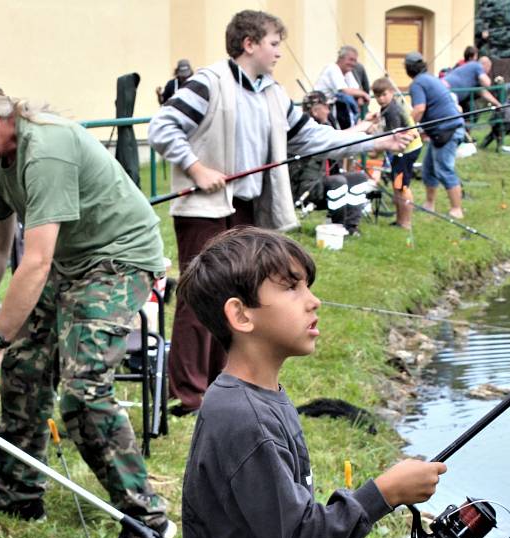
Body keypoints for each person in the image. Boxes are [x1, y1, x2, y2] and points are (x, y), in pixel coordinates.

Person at [0, 74, 173, 538]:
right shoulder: (0, 159)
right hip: (69, 264)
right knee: (24, 369)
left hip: (118, 260)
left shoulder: (45, 151)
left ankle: (147, 520)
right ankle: (19, 495)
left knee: (84, 391)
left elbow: (35, 262)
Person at [177, 226, 447, 538]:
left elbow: (275, 516)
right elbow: (298, 537)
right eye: (291, 288)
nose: (313, 300)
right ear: (240, 315)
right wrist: (384, 494)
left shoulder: (260, 396)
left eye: (308, 286)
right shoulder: (244, 418)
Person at [148, 10, 412, 416]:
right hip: (204, 209)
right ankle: (187, 393)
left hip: (247, 209)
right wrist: (197, 168)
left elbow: (312, 137)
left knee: (239, 301)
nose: (278, 53)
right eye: (274, 43)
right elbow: (163, 127)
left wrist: (374, 142)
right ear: (249, 43)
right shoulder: (208, 82)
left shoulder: (273, 92)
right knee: (199, 299)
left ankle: (224, 385)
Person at [290, 91, 376, 235]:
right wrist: (363, 126)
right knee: (338, 182)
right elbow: (334, 141)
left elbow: (339, 138)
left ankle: (351, 227)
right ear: (315, 110)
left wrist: (365, 125)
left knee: (358, 177)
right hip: (304, 188)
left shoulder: (324, 126)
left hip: (320, 183)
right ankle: (336, 228)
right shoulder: (306, 133)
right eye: (326, 107)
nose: (329, 111)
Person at [405, 51, 467, 219]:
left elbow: (419, 109)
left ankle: (457, 209)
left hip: (447, 130)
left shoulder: (418, 83)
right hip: (444, 129)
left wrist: (407, 127)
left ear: (408, 69)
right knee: (428, 170)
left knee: (444, 169)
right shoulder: (430, 78)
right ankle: (429, 205)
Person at [372, 78, 424, 229]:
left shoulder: (393, 111)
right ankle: (400, 219)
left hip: (406, 151)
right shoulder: (387, 108)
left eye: (384, 94)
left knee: (402, 186)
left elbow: (394, 137)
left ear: (392, 92)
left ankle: (406, 222)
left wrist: (377, 149)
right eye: (377, 96)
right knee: (397, 184)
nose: (381, 99)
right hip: (399, 151)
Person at [314, 45, 371, 128]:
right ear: (341, 58)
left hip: (333, 108)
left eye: (355, 61)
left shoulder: (347, 72)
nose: (353, 64)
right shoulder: (333, 68)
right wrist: (364, 95)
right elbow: (344, 90)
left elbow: (355, 89)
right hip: (320, 110)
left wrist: (360, 97)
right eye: (351, 60)